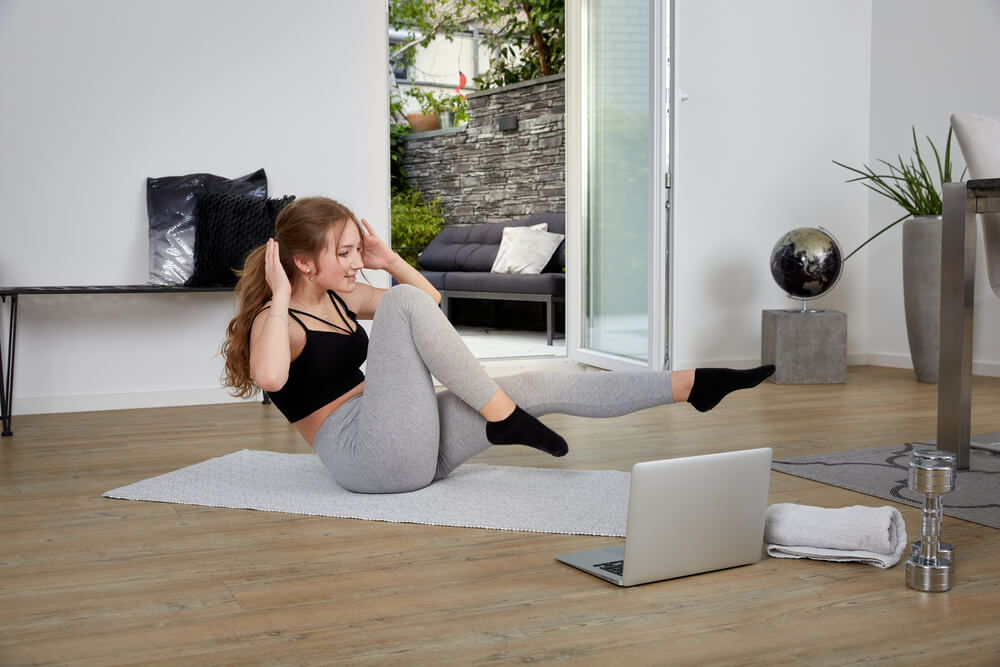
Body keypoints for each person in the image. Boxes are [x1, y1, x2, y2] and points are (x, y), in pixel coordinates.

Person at [222, 197, 775, 494]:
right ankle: (502, 415)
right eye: (343, 253)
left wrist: (388, 261)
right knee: (398, 305)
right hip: (367, 460)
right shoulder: (279, 319)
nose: (353, 262)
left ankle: (692, 385)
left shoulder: (343, 299)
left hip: (407, 444)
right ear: (302, 262)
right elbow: (271, 379)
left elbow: (429, 304)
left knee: (538, 384)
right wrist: (275, 293)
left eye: (354, 251)